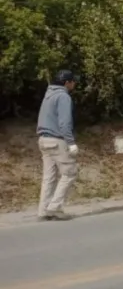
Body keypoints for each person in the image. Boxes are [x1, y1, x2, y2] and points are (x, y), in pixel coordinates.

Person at [36, 69, 79, 221]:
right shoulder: (63, 96)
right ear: (67, 83)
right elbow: (64, 123)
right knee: (70, 173)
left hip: (43, 139)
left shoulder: (49, 94)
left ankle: (43, 210)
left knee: (49, 177)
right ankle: (55, 208)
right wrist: (71, 142)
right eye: (73, 81)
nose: (74, 84)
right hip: (57, 140)